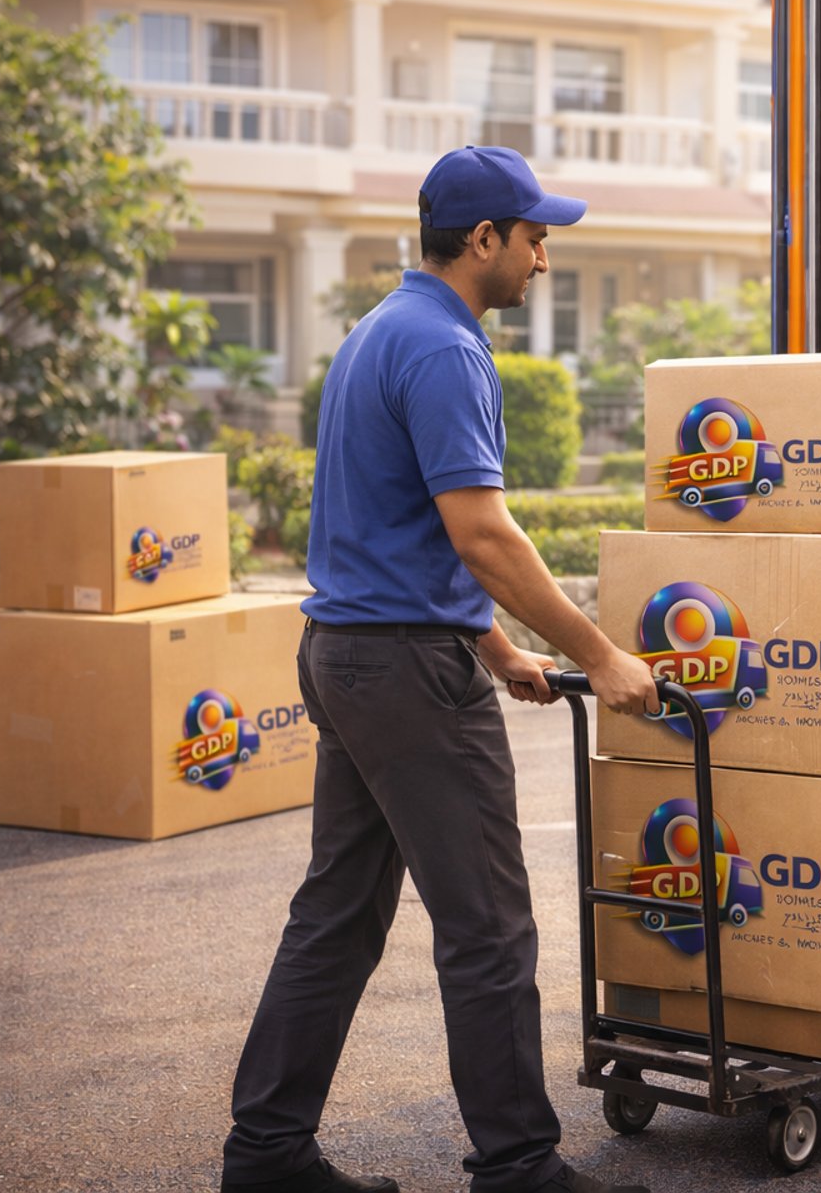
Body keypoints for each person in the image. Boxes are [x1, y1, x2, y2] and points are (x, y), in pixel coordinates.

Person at [220, 146, 658, 1193]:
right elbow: (483, 534)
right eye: (535, 238)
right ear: (483, 239)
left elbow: (394, 525)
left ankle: (267, 1154)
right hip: (407, 676)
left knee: (337, 916)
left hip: (348, 655)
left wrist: (498, 649)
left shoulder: (380, 330)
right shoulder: (448, 349)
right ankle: (519, 1168)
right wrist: (601, 653)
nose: (543, 259)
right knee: (488, 928)